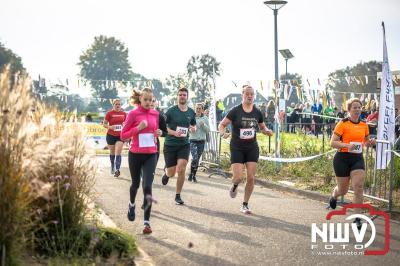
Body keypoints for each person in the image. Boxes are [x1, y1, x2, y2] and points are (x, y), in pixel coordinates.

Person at [218, 85, 273, 214]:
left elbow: (262, 127)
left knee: (251, 177)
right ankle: (235, 185)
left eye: (252, 94)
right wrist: (222, 133)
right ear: (242, 95)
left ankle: (245, 204)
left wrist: (267, 131)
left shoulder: (257, 112)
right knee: (237, 177)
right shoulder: (235, 111)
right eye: (247, 94)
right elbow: (222, 124)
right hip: (237, 147)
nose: (249, 96)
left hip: (251, 148)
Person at [328, 98, 376, 230]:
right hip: (342, 158)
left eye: (359, 107)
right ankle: (334, 195)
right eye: (354, 107)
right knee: (343, 190)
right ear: (349, 110)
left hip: (357, 159)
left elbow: (365, 142)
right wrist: (347, 146)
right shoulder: (342, 124)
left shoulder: (364, 125)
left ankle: (357, 218)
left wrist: (370, 143)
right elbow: (332, 142)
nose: (357, 109)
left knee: (358, 187)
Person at [121, 88, 161, 234]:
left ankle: (146, 223)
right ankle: (131, 204)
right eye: (146, 100)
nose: (149, 102)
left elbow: (156, 131)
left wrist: (158, 133)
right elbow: (123, 135)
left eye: (151, 100)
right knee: (135, 184)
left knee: (148, 187)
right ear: (140, 100)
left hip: (151, 154)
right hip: (135, 154)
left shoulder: (155, 113)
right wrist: (138, 128)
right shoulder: (132, 114)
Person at [161, 88, 196, 205]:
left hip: (184, 145)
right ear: (177, 96)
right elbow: (163, 127)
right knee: (171, 172)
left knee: (181, 169)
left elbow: (193, 125)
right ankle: (166, 173)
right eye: (180, 95)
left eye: (184, 95)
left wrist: (193, 128)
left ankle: (178, 195)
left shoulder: (191, 112)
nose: (182, 97)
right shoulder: (171, 111)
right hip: (170, 144)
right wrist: (174, 132)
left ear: (187, 97)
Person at [103, 99, 127, 177]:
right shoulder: (109, 113)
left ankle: (117, 169)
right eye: (116, 104)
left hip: (120, 136)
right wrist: (110, 127)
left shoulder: (124, 114)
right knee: (112, 153)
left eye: (119, 104)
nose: (117, 105)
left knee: (118, 152)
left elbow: (127, 124)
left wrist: (125, 125)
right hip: (110, 135)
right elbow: (104, 124)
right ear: (113, 105)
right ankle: (112, 165)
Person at [188, 103, 210, 182]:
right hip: (193, 140)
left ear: (202, 110)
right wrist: (190, 129)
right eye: (197, 108)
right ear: (194, 109)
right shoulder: (191, 117)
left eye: (199, 108)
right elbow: (187, 127)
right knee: (195, 157)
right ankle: (191, 173)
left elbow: (208, 130)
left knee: (197, 159)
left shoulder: (205, 118)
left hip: (201, 141)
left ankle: (193, 175)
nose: (198, 110)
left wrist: (203, 125)